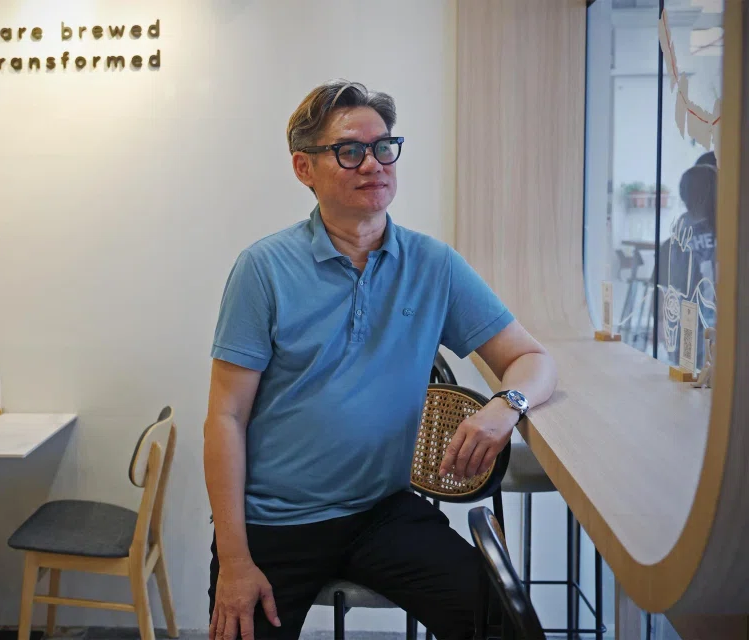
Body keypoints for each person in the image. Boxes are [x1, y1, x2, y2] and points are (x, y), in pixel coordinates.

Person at [203, 80, 558, 640]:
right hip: (275, 523)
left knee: (504, 624)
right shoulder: (263, 269)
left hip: (381, 512)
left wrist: (504, 406)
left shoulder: (432, 263)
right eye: (350, 151)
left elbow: (532, 359)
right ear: (305, 168)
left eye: (384, 146)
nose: (374, 163)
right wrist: (235, 560)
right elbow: (225, 418)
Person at [655, 162, 718, 368]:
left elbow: (663, 288)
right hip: (714, 327)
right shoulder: (726, 233)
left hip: (686, 327)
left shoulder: (675, 240)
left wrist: (662, 324)